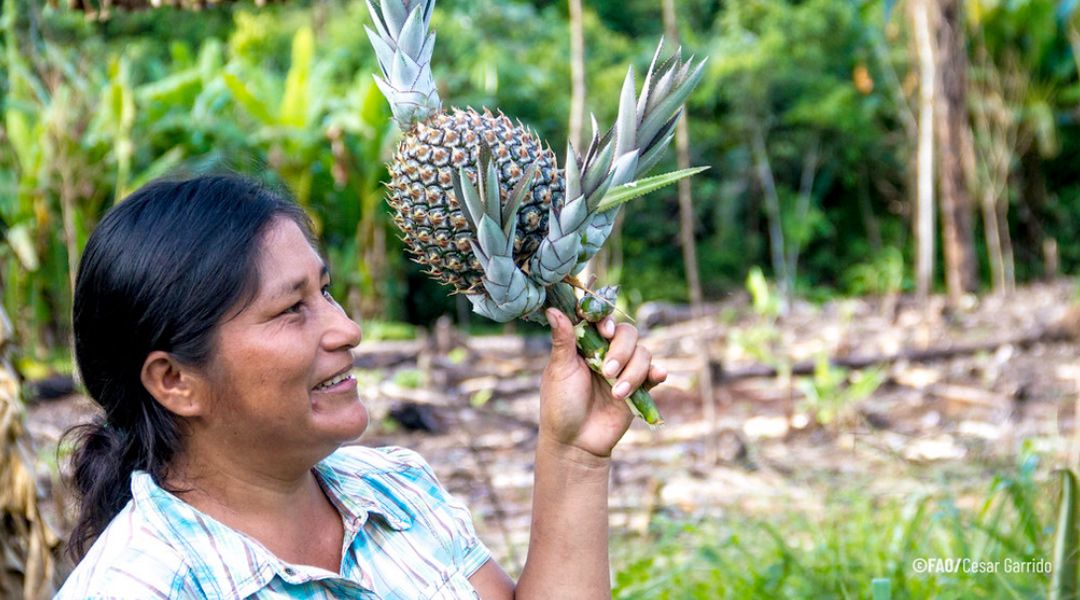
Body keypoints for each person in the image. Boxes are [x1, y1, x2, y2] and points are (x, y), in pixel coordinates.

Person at [57, 174, 667, 599]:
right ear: (175, 380)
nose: (347, 328)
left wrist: (574, 454)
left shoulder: (393, 491)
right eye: (291, 309)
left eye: (323, 290)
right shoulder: (141, 586)